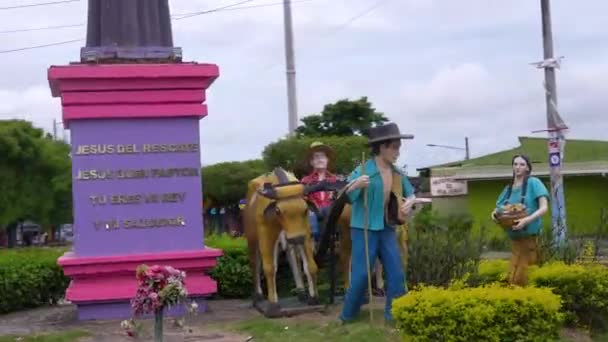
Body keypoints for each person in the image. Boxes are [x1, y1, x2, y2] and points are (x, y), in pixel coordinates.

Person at [339, 122, 416, 324]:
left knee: (396, 273)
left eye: (399, 148)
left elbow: (411, 193)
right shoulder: (363, 169)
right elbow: (346, 196)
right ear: (382, 147)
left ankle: (394, 313)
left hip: (386, 228)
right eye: (394, 148)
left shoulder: (396, 172)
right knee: (362, 275)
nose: (398, 152)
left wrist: (410, 203)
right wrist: (356, 185)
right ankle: (348, 314)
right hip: (363, 228)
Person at [491, 154, 549, 286]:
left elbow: (544, 208)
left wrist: (526, 220)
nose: (518, 167)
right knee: (511, 277)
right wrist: (495, 216)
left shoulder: (534, 183)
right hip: (514, 241)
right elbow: (497, 210)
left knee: (521, 278)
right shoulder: (508, 189)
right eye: (515, 164)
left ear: (528, 168)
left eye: (522, 164)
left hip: (529, 240)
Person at [301, 141, 339, 242]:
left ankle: (335, 240)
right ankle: (313, 243)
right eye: (316, 157)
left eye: (322, 157)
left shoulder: (335, 179)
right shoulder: (305, 180)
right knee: (311, 216)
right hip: (313, 211)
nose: (320, 160)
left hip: (330, 211)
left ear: (327, 160)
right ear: (311, 162)